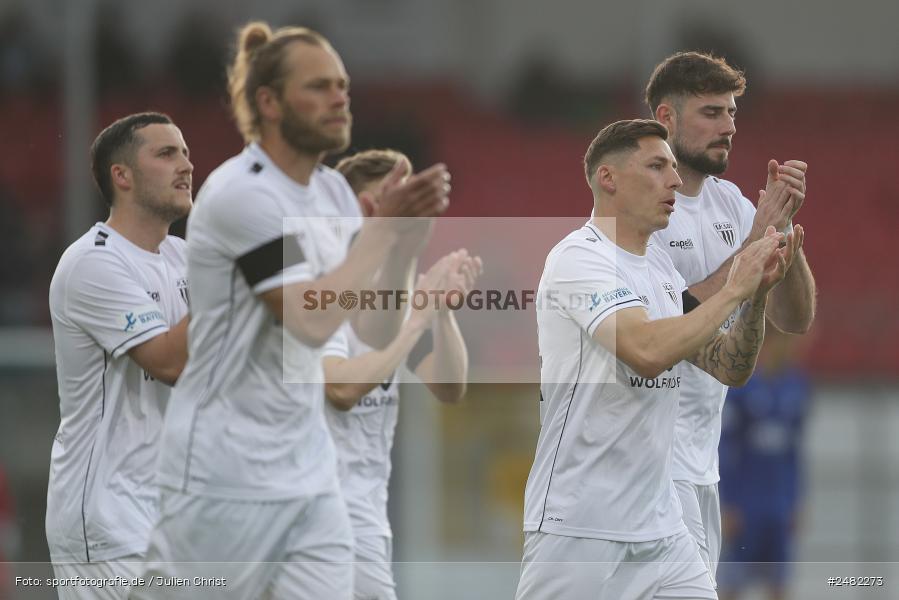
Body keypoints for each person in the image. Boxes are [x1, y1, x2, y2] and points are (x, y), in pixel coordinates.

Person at [133, 23, 449, 600]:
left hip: (308, 476)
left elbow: (365, 324)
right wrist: (380, 233)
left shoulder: (329, 194)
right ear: (269, 103)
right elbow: (309, 318)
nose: (339, 98)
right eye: (319, 87)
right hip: (222, 477)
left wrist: (399, 244)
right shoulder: (244, 196)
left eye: (343, 86)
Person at [516, 119, 799, 600]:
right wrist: (734, 289)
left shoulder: (662, 271)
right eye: (656, 166)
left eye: (673, 166)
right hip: (582, 523)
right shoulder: (579, 259)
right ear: (608, 179)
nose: (673, 180)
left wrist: (757, 298)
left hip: (662, 527)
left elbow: (730, 367)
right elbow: (645, 351)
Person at [645, 51, 817, 584]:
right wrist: (751, 243)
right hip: (647, 460)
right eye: (712, 113)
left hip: (702, 467)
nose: (729, 127)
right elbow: (669, 319)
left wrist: (781, 232)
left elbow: (796, 318)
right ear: (666, 119)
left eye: (733, 113)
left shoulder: (735, 205)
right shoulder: (643, 210)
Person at [47, 112, 193, 599]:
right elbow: (170, 362)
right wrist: (234, 273)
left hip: (168, 515)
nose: (186, 165)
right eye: (166, 153)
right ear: (122, 176)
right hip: (107, 522)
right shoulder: (94, 262)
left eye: (186, 153)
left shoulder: (184, 259)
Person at [326, 149, 482, 600]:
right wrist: (416, 318)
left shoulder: (395, 290)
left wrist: (441, 315)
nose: (404, 216)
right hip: (315, 510)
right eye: (389, 203)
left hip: (368, 515)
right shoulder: (315, 288)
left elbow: (449, 387)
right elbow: (343, 387)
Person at [717, 328, 812, 600]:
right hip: (747, 505)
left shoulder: (797, 386)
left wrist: (796, 499)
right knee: (733, 582)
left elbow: (795, 451)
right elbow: (726, 450)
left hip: (779, 503)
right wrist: (728, 502)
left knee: (779, 583)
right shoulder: (742, 387)